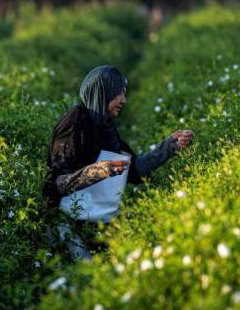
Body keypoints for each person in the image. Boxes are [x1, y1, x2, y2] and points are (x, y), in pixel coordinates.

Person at [42, 65, 194, 260]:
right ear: (102, 93)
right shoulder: (74, 123)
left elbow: (134, 170)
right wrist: (93, 172)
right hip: (66, 223)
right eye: (118, 94)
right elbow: (54, 184)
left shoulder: (106, 127)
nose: (123, 100)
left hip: (94, 220)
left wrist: (169, 147)